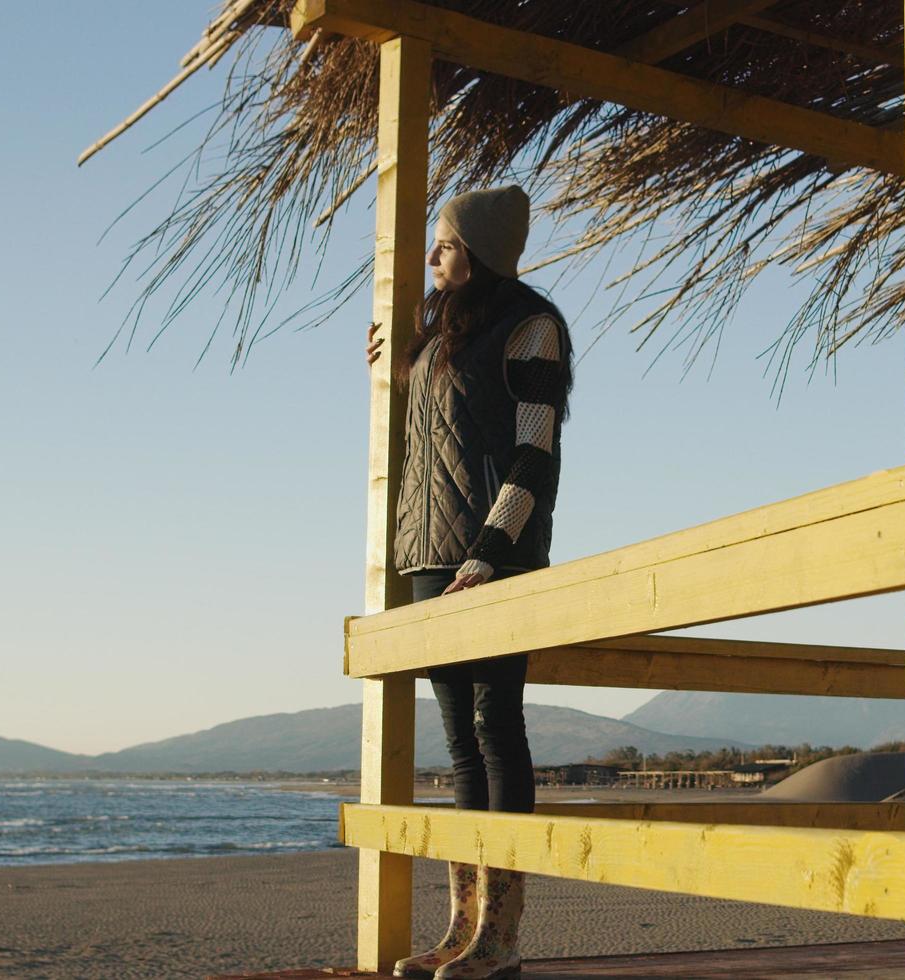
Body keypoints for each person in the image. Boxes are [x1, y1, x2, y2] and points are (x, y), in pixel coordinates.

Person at [365, 184, 572, 980]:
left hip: (495, 556)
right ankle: (461, 926)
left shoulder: (530, 327)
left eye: (446, 245)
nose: (433, 257)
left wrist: (490, 549)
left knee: (496, 727)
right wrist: (396, 358)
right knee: (456, 743)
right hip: (426, 554)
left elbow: (534, 453)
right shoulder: (442, 333)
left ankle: (503, 936)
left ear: (480, 251)